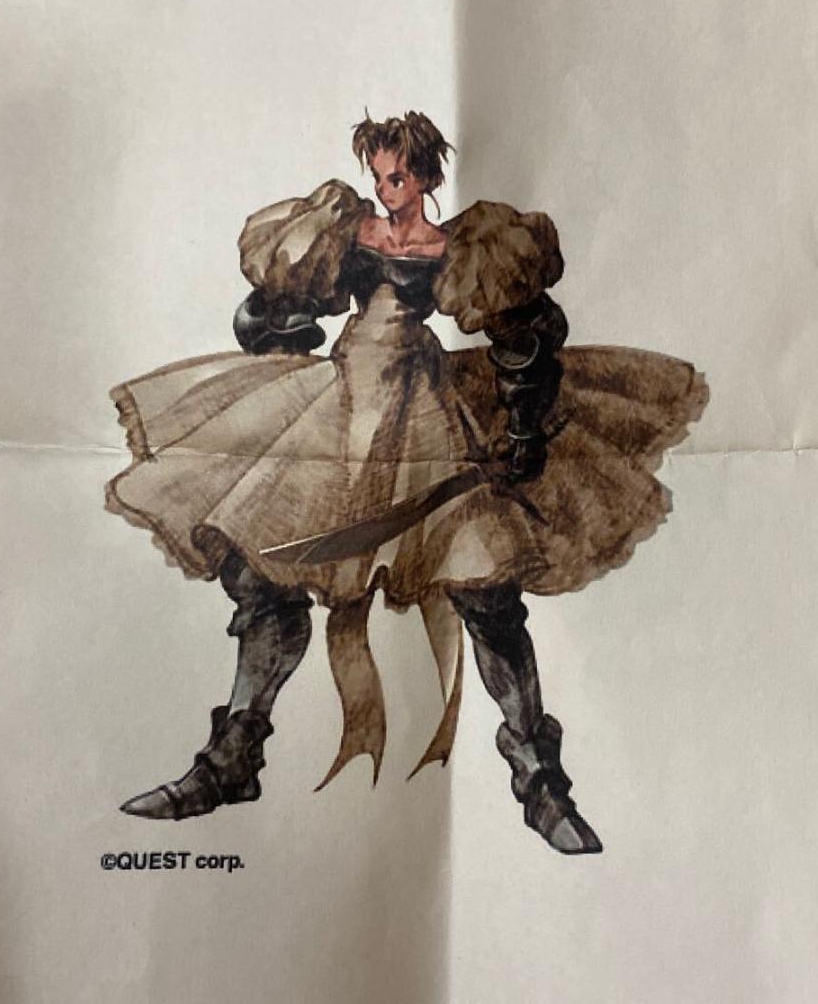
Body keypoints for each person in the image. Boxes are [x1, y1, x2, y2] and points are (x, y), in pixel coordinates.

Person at [105, 111, 708, 855]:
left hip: (426, 419)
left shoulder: (462, 246)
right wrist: (279, 325)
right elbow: (274, 304)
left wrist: (522, 430)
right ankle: (230, 762)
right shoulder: (348, 233)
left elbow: (522, 336)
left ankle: (542, 785)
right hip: (342, 411)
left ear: (423, 177)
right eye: (378, 176)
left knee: (488, 593)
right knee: (267, 575)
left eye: (396, 177)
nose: (385, 190)